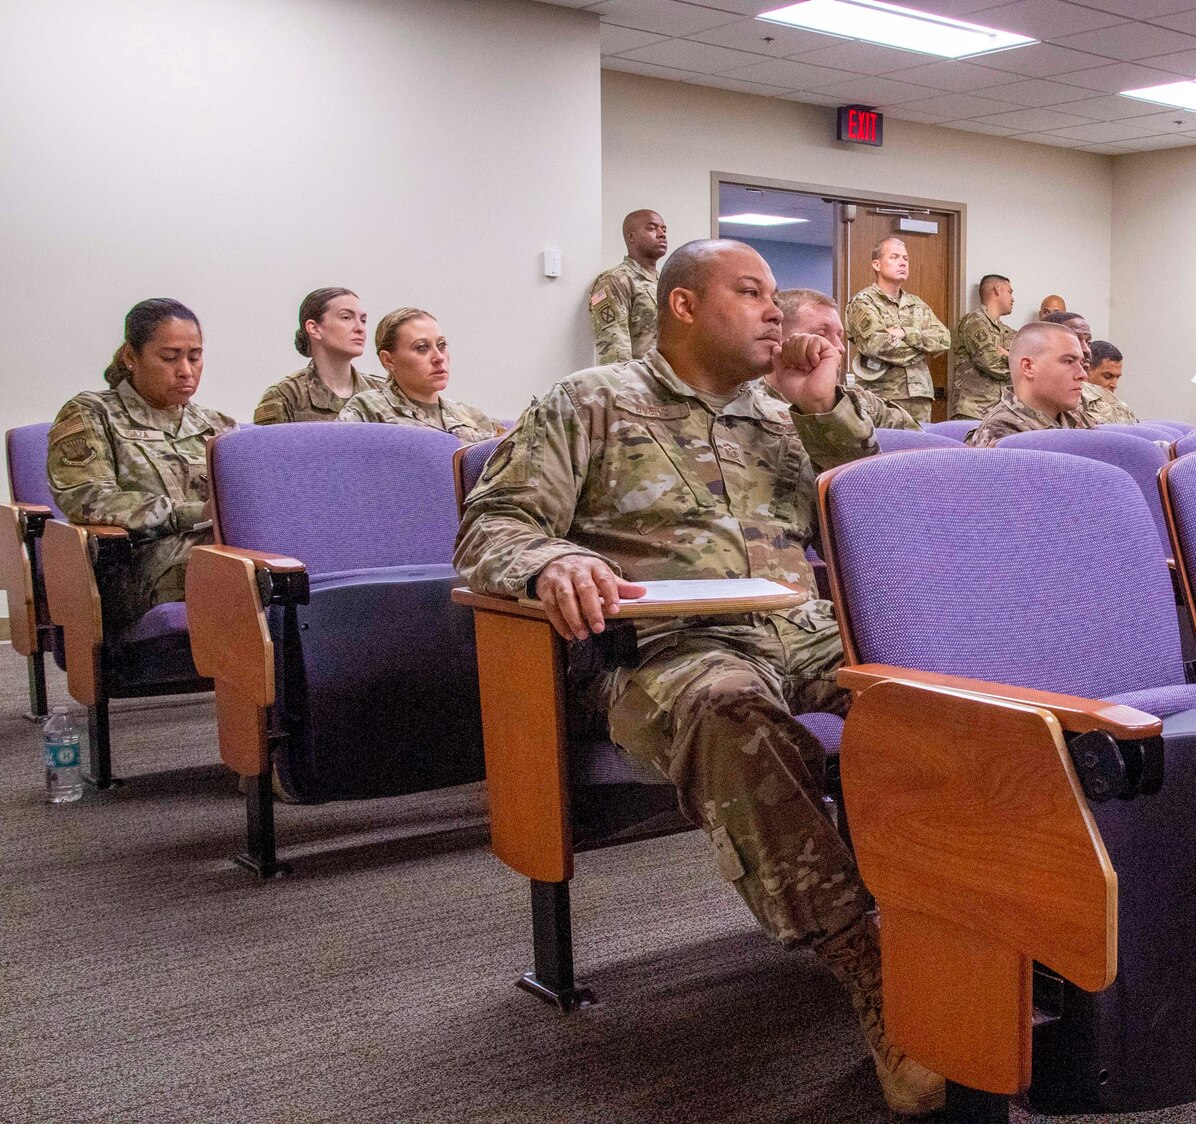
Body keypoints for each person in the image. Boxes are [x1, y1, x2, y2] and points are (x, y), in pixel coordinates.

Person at [454, 239, 941, 1117]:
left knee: (949, 692)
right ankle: (866, 962)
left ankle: (982, 920)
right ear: (683, 306)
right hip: (670, 647)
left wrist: (820, 404)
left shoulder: (782, 411)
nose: (775, 313)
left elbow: (880, 501)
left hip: (806, 629)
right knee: (728, 706)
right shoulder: (589, 401)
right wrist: (554, 562)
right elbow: (493, 525)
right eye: (750, 293)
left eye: (774, 297)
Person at [47, 299, 237, 631]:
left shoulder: (216, 425)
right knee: (244, 571)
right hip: (134, 566)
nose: (186, 370)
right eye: (170, 357)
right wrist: (196, 513)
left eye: (195, 357)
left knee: (277, 557)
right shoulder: (92, 412)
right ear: (131, 357)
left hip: (213, 549)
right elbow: (88, 498)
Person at [338, 308, 502, 444]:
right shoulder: (367, 409)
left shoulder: (472, 416)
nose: (439, 357)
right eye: (422, 348)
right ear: (388, 360)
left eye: (441, 345)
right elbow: (337, 471)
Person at [768, 289, 918, 431]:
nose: (840, 348)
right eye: (821, 334)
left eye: (839, 336)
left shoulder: (860, 401)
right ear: (779, 338)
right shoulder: (754, 413)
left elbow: (924, 448)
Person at [844, 237, 950, 424]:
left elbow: (944, 339)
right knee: (886, 451)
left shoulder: (916, 304)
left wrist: (906, 333)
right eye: (894, 257)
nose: (902, 262)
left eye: (905, 259)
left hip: (919, 397)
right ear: (876, 265)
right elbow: (878, 346)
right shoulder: (863, 302)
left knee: (919, 451)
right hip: (882, 398)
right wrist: (922, 348)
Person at [254, 288, 387, 424]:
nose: (360, 328)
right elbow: (268, 445)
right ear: (314, 328)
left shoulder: (383, 393)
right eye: (346, 317)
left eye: (363, 320)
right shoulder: (286, 395)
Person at [966, 321, 1094, 447]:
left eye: (1081, 363)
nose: (1082, 374)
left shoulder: (1074, 416)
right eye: (1068, 362)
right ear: (1028, 367)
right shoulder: (1002, 432)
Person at [589, 209, 670, 364]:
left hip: (669, 381)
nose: (661, 234)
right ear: (631, 237)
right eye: (652, 228)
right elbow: (615, 353)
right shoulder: (615, 281)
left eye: (663, 229)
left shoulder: (665, 282)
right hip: (639, 383)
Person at [948, 273, 1015, 420]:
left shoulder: (1009, 332)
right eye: (1009, 291)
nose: (1013, 298)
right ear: (997, 289)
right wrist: (1017, 363)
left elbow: (1033, 364)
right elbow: (991, 363)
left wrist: (1011, 357)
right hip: (973, 411)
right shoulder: (974, 322)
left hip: (1001, 412)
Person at [1080, 340, 1138, 426]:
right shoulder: (1074, 401)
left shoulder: (1116, 403)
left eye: (1117, 377)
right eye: (1107, 376)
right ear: (1087, 370)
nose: (1114, 385)